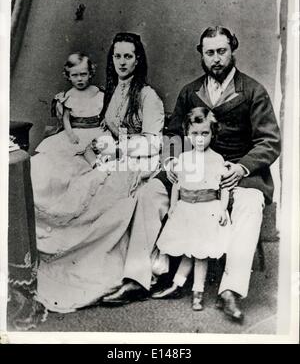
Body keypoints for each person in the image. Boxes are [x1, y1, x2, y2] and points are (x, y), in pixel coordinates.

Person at [103, 26, 281, 323]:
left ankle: (231, 290)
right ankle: (137, 278)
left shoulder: (252, 90)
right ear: (202, 54)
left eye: (222, 51)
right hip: (193, 167)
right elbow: (172, 135)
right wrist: (172, 163)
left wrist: (240, 167)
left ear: (232, 50)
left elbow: (269, 141)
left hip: (236, 171)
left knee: (250, 203)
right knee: (150, 193)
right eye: (209, 52)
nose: (216, 59)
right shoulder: (190, 91)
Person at [31, 32, 164, 313]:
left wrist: (119, 150)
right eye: (117, 56)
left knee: (100, 196)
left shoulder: (148, 95)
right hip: (112, 158)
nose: (122, 62)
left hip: (138, 162)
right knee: (74, 183)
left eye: (128, 56)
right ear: (111, 59)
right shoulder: (115, 90)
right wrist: (100, 148)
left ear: (138, 59)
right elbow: (107, 130)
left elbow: (154, 141)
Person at [152, 107, 232, 312]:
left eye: (205, 133)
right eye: (194, 133)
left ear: (213, 134)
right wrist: (173, 205)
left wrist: (223, 209)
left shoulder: (216, 159)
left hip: (207, 210)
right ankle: (176, 285)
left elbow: (224, 188)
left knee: (201, 253)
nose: (199, 138)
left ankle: (198, 291)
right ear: (187, 133)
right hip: (187, 209)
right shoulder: (185, 158)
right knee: (189, 250)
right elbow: (178, 185)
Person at [35, 52, 103, 168]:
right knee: (66, 154)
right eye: (75, 75)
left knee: (101, 146)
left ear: (90, 74)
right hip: (77, 131)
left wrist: (104, 119)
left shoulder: (97, 91)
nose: (79, 79)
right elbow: (66, 118)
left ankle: (97, 164)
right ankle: (94, 165)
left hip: (96, 129)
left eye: (83, 74)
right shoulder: (69, 95)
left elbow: (104, 110)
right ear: (68, 76)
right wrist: (71, 134)